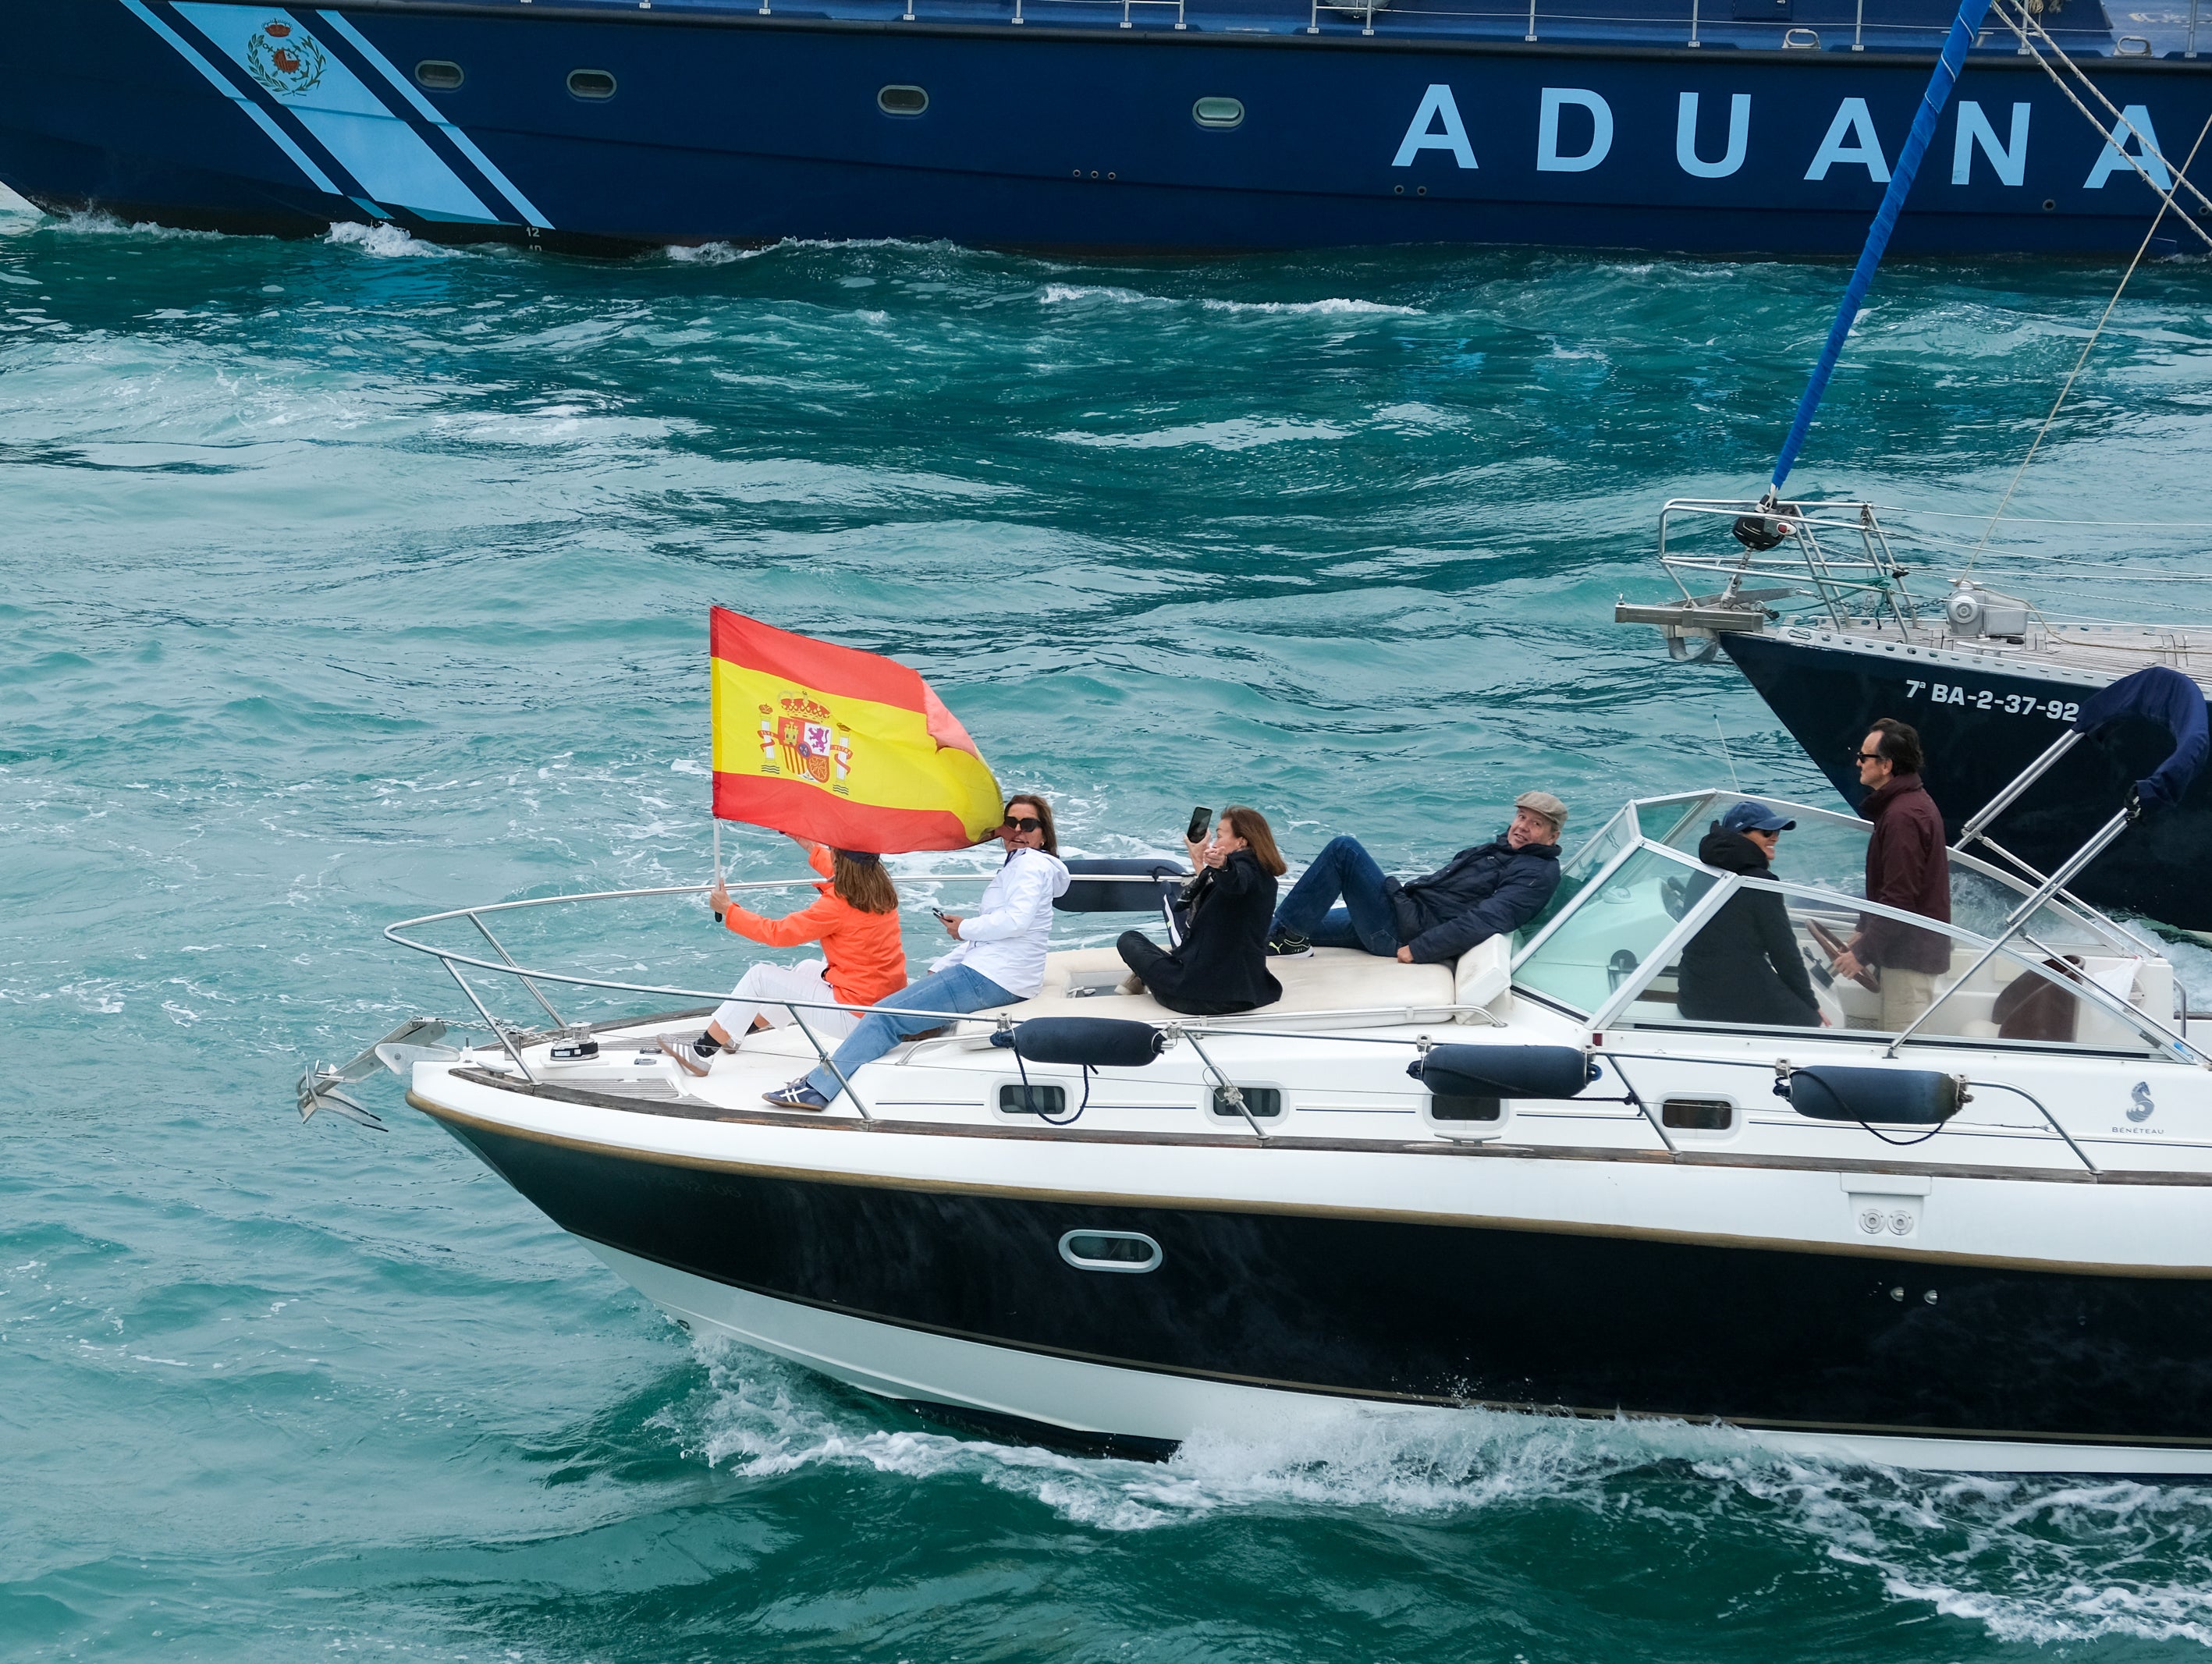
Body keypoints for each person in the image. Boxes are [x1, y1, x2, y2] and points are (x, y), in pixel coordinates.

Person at [764, 795, 1070, 1111]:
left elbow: (1015, 922)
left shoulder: (1030, 865)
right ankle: (916, 1029)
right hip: (1007, 974)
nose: (1018, 830)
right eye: (1011, 823)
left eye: (1028, 824)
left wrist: (964, 927)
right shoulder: (1029, 865)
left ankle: (818, 1088)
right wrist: (945, 963)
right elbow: (1004, 935)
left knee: (883, 1016)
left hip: (992, 978)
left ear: (1043, 833)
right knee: (904, 1007)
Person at [660, 835, 907, 1077]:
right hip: (883, 1008)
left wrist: (729, 910)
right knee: (806, 969)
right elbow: (843, 867)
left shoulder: (837, 906)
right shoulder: (880, 892)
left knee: (760, 977)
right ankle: (735, 1033)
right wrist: (806, 842)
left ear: (842, 864)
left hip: (854, 1017)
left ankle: (702, 1053)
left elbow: (777, 933)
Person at [1266, 791, 1569, 965]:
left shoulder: (1536, 875)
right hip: (1403, 913)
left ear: (1552, 835)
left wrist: (1421, 950)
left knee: (1345, 850)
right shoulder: (1506, 849)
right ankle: (1256, 935)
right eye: (1521, 817)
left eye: (1536, 823)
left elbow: (1486, 920)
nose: (1522, 826)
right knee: (1268, 928)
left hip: (1400, 933)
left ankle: (1288, 940)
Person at [1830, 718, 1952, 1033]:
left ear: (1886, 766)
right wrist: (1864, 929)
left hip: (1910, 959)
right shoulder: (1909, 806)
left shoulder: (1902, 817)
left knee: (1903, 1053)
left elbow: (1899, 899)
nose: (1857, 762)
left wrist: (1862, 953)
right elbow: (1892, 888)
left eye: (1864, 756)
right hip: (1904, 953)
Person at [1117, 806, 1287, 1016]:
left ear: (1241, 841)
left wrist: (1224, 864)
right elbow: (1222, 892)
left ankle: (1140, 978)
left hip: (1196, 999)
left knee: (1129, 939)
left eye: (1219, 836)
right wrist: (1198, 861)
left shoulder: (1241, 872)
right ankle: (1141, 978)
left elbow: (1236, 880)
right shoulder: (1266, 879)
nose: (1215, 843)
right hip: (1245, 997)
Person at [1676, 800, 1823, 1029]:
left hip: (1692, 996)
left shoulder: (1703, 872)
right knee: (1811, 1022)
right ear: (1741, 835)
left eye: (1776, 832)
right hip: (1730, 997)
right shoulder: (1761, 882)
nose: (1775, 838)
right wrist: (1810, 1004)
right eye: (1767, 832)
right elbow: (1783, 952)